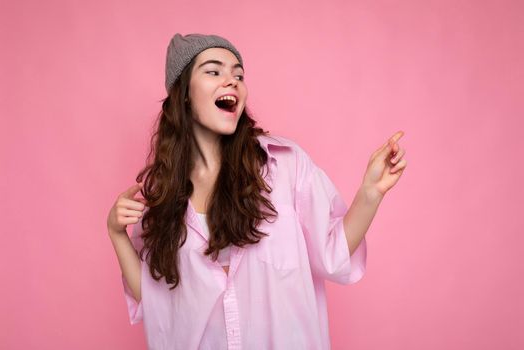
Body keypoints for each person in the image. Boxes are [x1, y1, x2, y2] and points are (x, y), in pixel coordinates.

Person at [106, 33, 407, 350]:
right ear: (183, 93)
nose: (232, 81)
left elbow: (332, 252)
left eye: (238, 74)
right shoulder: (162, 192)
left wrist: (371, 192)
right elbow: (156, 301)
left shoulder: (283, 166)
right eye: (214, 71)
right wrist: (116, 233)